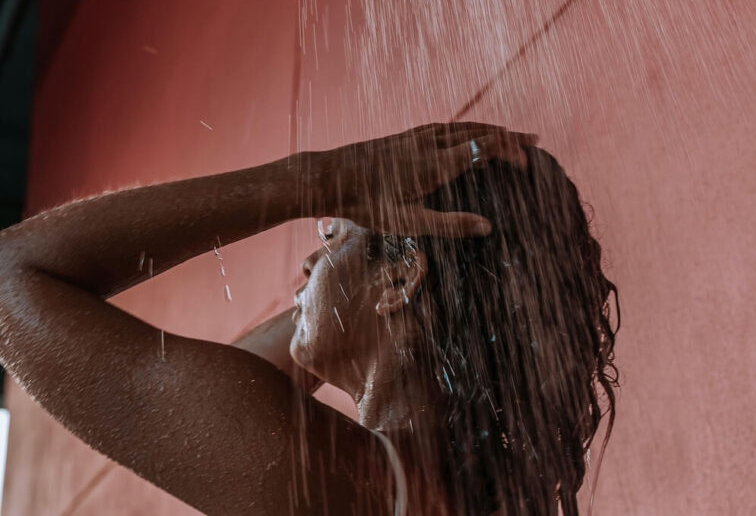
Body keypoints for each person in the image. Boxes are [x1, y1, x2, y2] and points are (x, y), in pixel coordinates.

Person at [0, 121, 618, 515]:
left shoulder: (351, 485)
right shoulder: (439, 490)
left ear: (401, 278)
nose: (308, 259)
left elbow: (11, 274)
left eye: (332, 232)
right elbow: (234, 388)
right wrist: (341, 289)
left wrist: (318, 177)